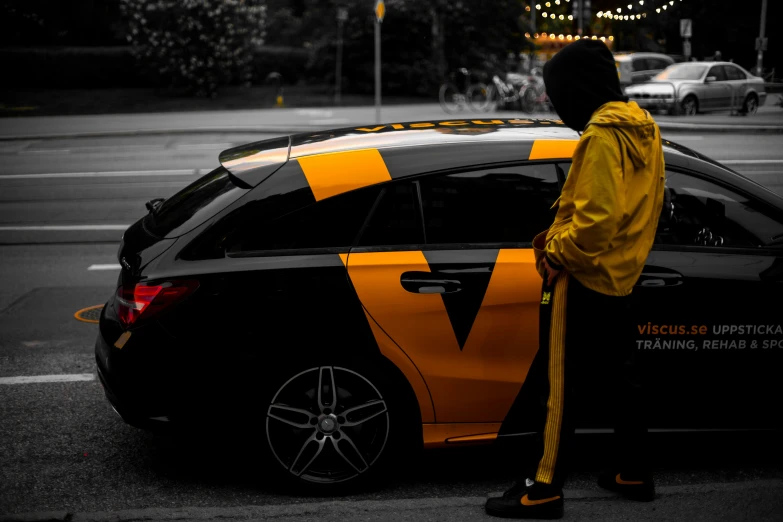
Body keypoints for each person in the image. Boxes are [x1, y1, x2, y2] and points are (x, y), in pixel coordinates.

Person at [485, 38, 666, 519]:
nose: (555, 102)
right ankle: (633, 472)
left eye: (558, 91)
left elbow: (595, 223)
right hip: (622, 276)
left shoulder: (600, 137)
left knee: (557, 389)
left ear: (577, 88)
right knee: (623, 381)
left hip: (583, 279)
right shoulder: (643, 129)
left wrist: (553, 252)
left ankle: (542, 489)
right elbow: (643, 210)